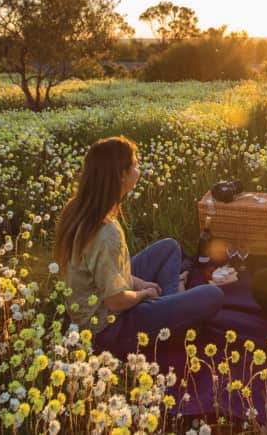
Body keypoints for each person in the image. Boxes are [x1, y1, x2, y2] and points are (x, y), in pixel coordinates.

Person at [54, 136, 224, 354]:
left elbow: (105, 273)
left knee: (170, 247)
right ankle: (174, 303)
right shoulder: (106, 233)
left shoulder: (77, 208)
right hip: (110, 329)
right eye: (135, 163)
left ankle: (171, 302)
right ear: (122, 175)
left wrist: (141, 283)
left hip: (99, 299)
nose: (139, 168)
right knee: (212, 295)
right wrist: (143, 294)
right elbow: (115, 301)